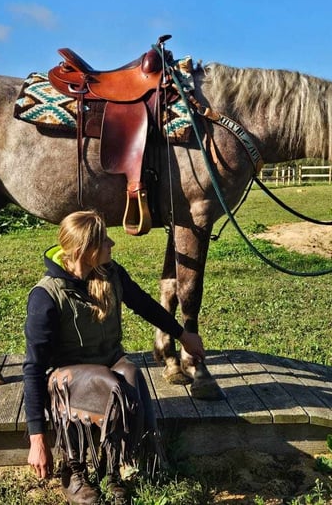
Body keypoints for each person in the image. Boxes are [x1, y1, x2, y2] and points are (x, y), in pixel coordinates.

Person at [24, 210, 206, 505]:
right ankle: (74, 470)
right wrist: (36, 438)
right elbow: (33, 368)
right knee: (109, 382)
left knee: (130, 375)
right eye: (104, 240)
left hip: (108, 364)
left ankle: (114, 470)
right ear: (86, 250)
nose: (112, 244)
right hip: (65, 380)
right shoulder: (46, 296)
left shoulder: (111, 274)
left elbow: (144, 304)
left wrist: (182, 334)